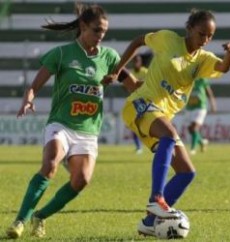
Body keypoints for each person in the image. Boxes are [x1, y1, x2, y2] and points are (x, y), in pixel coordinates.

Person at [6, 3, 137, 239]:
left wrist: (139, 84)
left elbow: (133, 85)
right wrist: (28, 100)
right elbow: (34, 86)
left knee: (81, 180)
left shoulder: (110, 57)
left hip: (88, 131)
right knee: (51, 163)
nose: (100, 36)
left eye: (104, 32)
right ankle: (20, 221)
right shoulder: (62, 53)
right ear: (82, 26)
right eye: (96, 30)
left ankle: (40, 216)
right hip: (61, 124)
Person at [102, 8, 230, 236]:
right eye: (201, 33)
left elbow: (223, 67)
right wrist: (117, 70)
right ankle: (156, 199)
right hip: (140, 103)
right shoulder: (168, 39)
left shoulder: (202, 59)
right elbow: (138, 41)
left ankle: (148, 222)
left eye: (209, 36)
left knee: (186, 172)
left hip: (161, 115)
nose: (204, 40)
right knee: (169, 134)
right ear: (190, 28)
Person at [186, 77, 216, 155]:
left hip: (200, 107)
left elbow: (209, 92)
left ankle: (192, 149)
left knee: (194, 127)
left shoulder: (202, 79)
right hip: (189, 107)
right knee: (190, 129)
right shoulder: (186, 78)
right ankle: (202, 142)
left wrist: (213, 104)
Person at [129, 55, 148, 154]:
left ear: (141, 62)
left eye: (137, 60)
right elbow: (127, 85)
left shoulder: (145, 72)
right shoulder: (131, 73)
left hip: (145, 101)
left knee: (147, 124)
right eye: (134, 60)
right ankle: (138, 147)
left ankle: (154, 144)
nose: (136, 62)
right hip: (134, 101)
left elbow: (149, 85)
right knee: (134, 124)